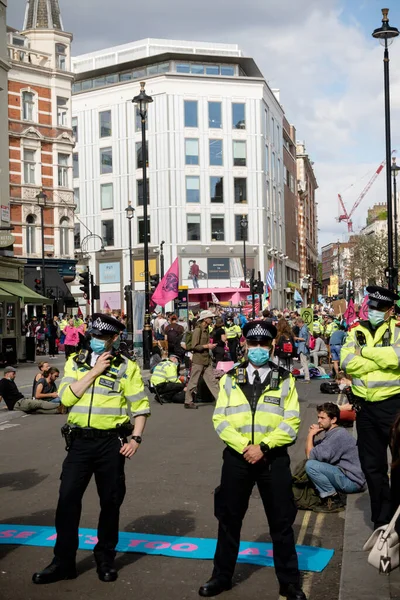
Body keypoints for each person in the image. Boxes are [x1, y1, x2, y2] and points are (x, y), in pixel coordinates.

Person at [32, 313, 150, 585]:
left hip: (111, 443)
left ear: (114, 339)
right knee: (67, 500)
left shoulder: (126, 367)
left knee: (110, 502)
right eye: (93, 337)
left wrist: (136, 438)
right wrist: (94, 371)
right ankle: (63, 561)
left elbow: (140, 406)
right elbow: (66, 396)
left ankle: (105, 558)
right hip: (80, 443)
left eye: (102, 338)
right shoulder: (76, 361)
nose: (96, 342)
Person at [199, 321, 306, 599]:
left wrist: (264, 446)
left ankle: (289, 582)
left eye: (263, 344)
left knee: (281, 522)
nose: (258, 349)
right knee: (228, 519)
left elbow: (292, 421)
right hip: (238, 457)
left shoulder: (285, 378)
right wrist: (245, 446)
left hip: (272, 458)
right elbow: (220, 419)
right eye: (253, 344)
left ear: (271, 346)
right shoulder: (230, 377)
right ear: (245, 344)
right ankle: (221, 577)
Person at [340, 285, 400, 529]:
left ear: (390, 310)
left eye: (381, 307)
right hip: (365, 408)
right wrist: (381, 361)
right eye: (372, 306)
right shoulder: (356, 330)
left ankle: (397, 518)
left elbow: (398, 359)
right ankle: (381, 520)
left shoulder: (397, 331)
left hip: (393, 406)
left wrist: (364, 352)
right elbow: (347, 363)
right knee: (372, 467)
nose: (375, 310)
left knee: (398, 465)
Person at [305, 402, 365, 512]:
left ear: (333, 420)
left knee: (311, 466)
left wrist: (310, 435)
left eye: (322, 418)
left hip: (353, 482)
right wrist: (312, 437)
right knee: (311, 464)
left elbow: (310, 456)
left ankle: (333, 499)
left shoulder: (338, 436)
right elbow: (314, 450)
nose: (318, 421)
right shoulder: (333, 433)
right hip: (348, 476)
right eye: (318, 417)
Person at [184, 310, 219, 409]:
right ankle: (188, 401)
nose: (212, 319)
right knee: (194, 381)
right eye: (210, 318)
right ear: (205, 319)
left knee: (212, 381)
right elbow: (194, 346)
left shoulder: (207, 329)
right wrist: (207, 346)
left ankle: (221, 400)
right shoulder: (198, 330)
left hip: (206, 359)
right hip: (198, 359)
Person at [294, 318, 310, 383]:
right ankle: (306, 377)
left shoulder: (303, 329)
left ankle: (307, 378)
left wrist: (297, 338)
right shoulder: (305, 328)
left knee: (304, 363)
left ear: (300, 323)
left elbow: (304, 338)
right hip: (303, 347)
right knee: (304, 363)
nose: (297, 326)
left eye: (298, 324)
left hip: (303, 348)